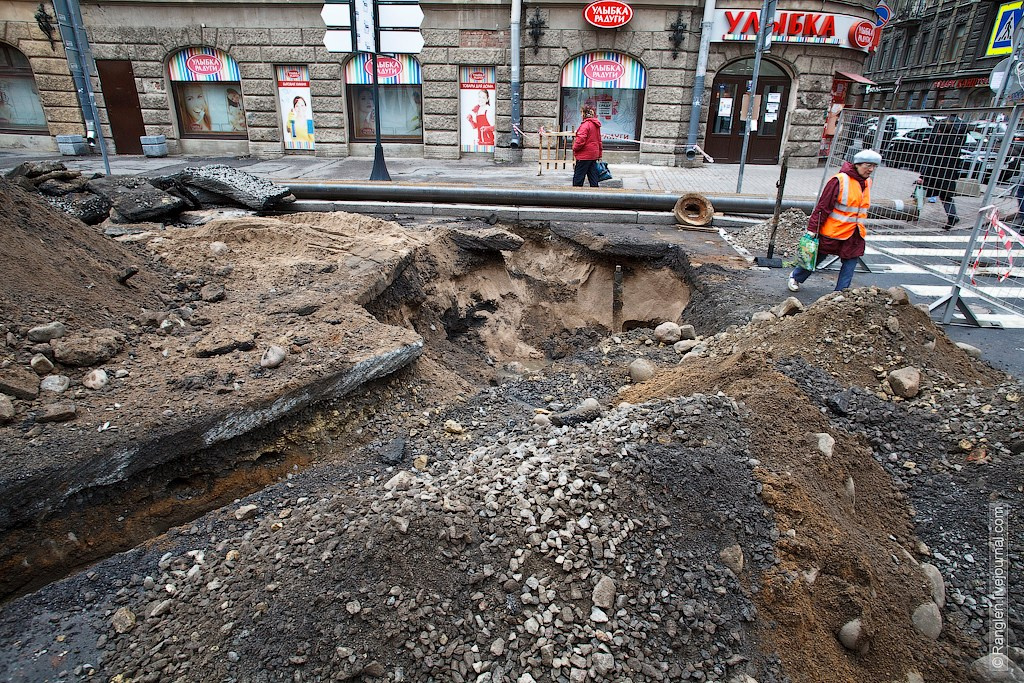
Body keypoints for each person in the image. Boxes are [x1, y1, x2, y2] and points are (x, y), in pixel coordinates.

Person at [788, 149, 880, 293]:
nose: (871, 169)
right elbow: (823, 207)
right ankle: (796, 276)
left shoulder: (867, 182)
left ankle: (841, 293)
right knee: (818, 257)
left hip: (854, 233)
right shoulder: (839, 180)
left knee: (850, 261)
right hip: (834, 231)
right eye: (868, 165)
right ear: (857, 164)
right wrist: (812, 230)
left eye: (874, 166)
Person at [918, 114, 970, 229]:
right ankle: (952, 215)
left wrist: (923, 175)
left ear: (939, 130)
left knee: (920, 192)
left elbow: (931, 159)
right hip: (949, 173)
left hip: (935, 173)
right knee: (946, 196)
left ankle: (912, 213)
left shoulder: (936, 141)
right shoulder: (956, 142)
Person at [572, 105, 603, 187]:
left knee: (578, 179)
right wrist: (599, 154)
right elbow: (599, 140)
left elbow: (580, 140)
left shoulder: (585, 125)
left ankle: (576, 197)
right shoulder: (595, 125)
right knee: (593, 178)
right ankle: (595, 196)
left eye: (581, 113)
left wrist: (574, 148)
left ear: (584, 114)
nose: (581, 115)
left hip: (584, 156)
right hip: (593, 155)